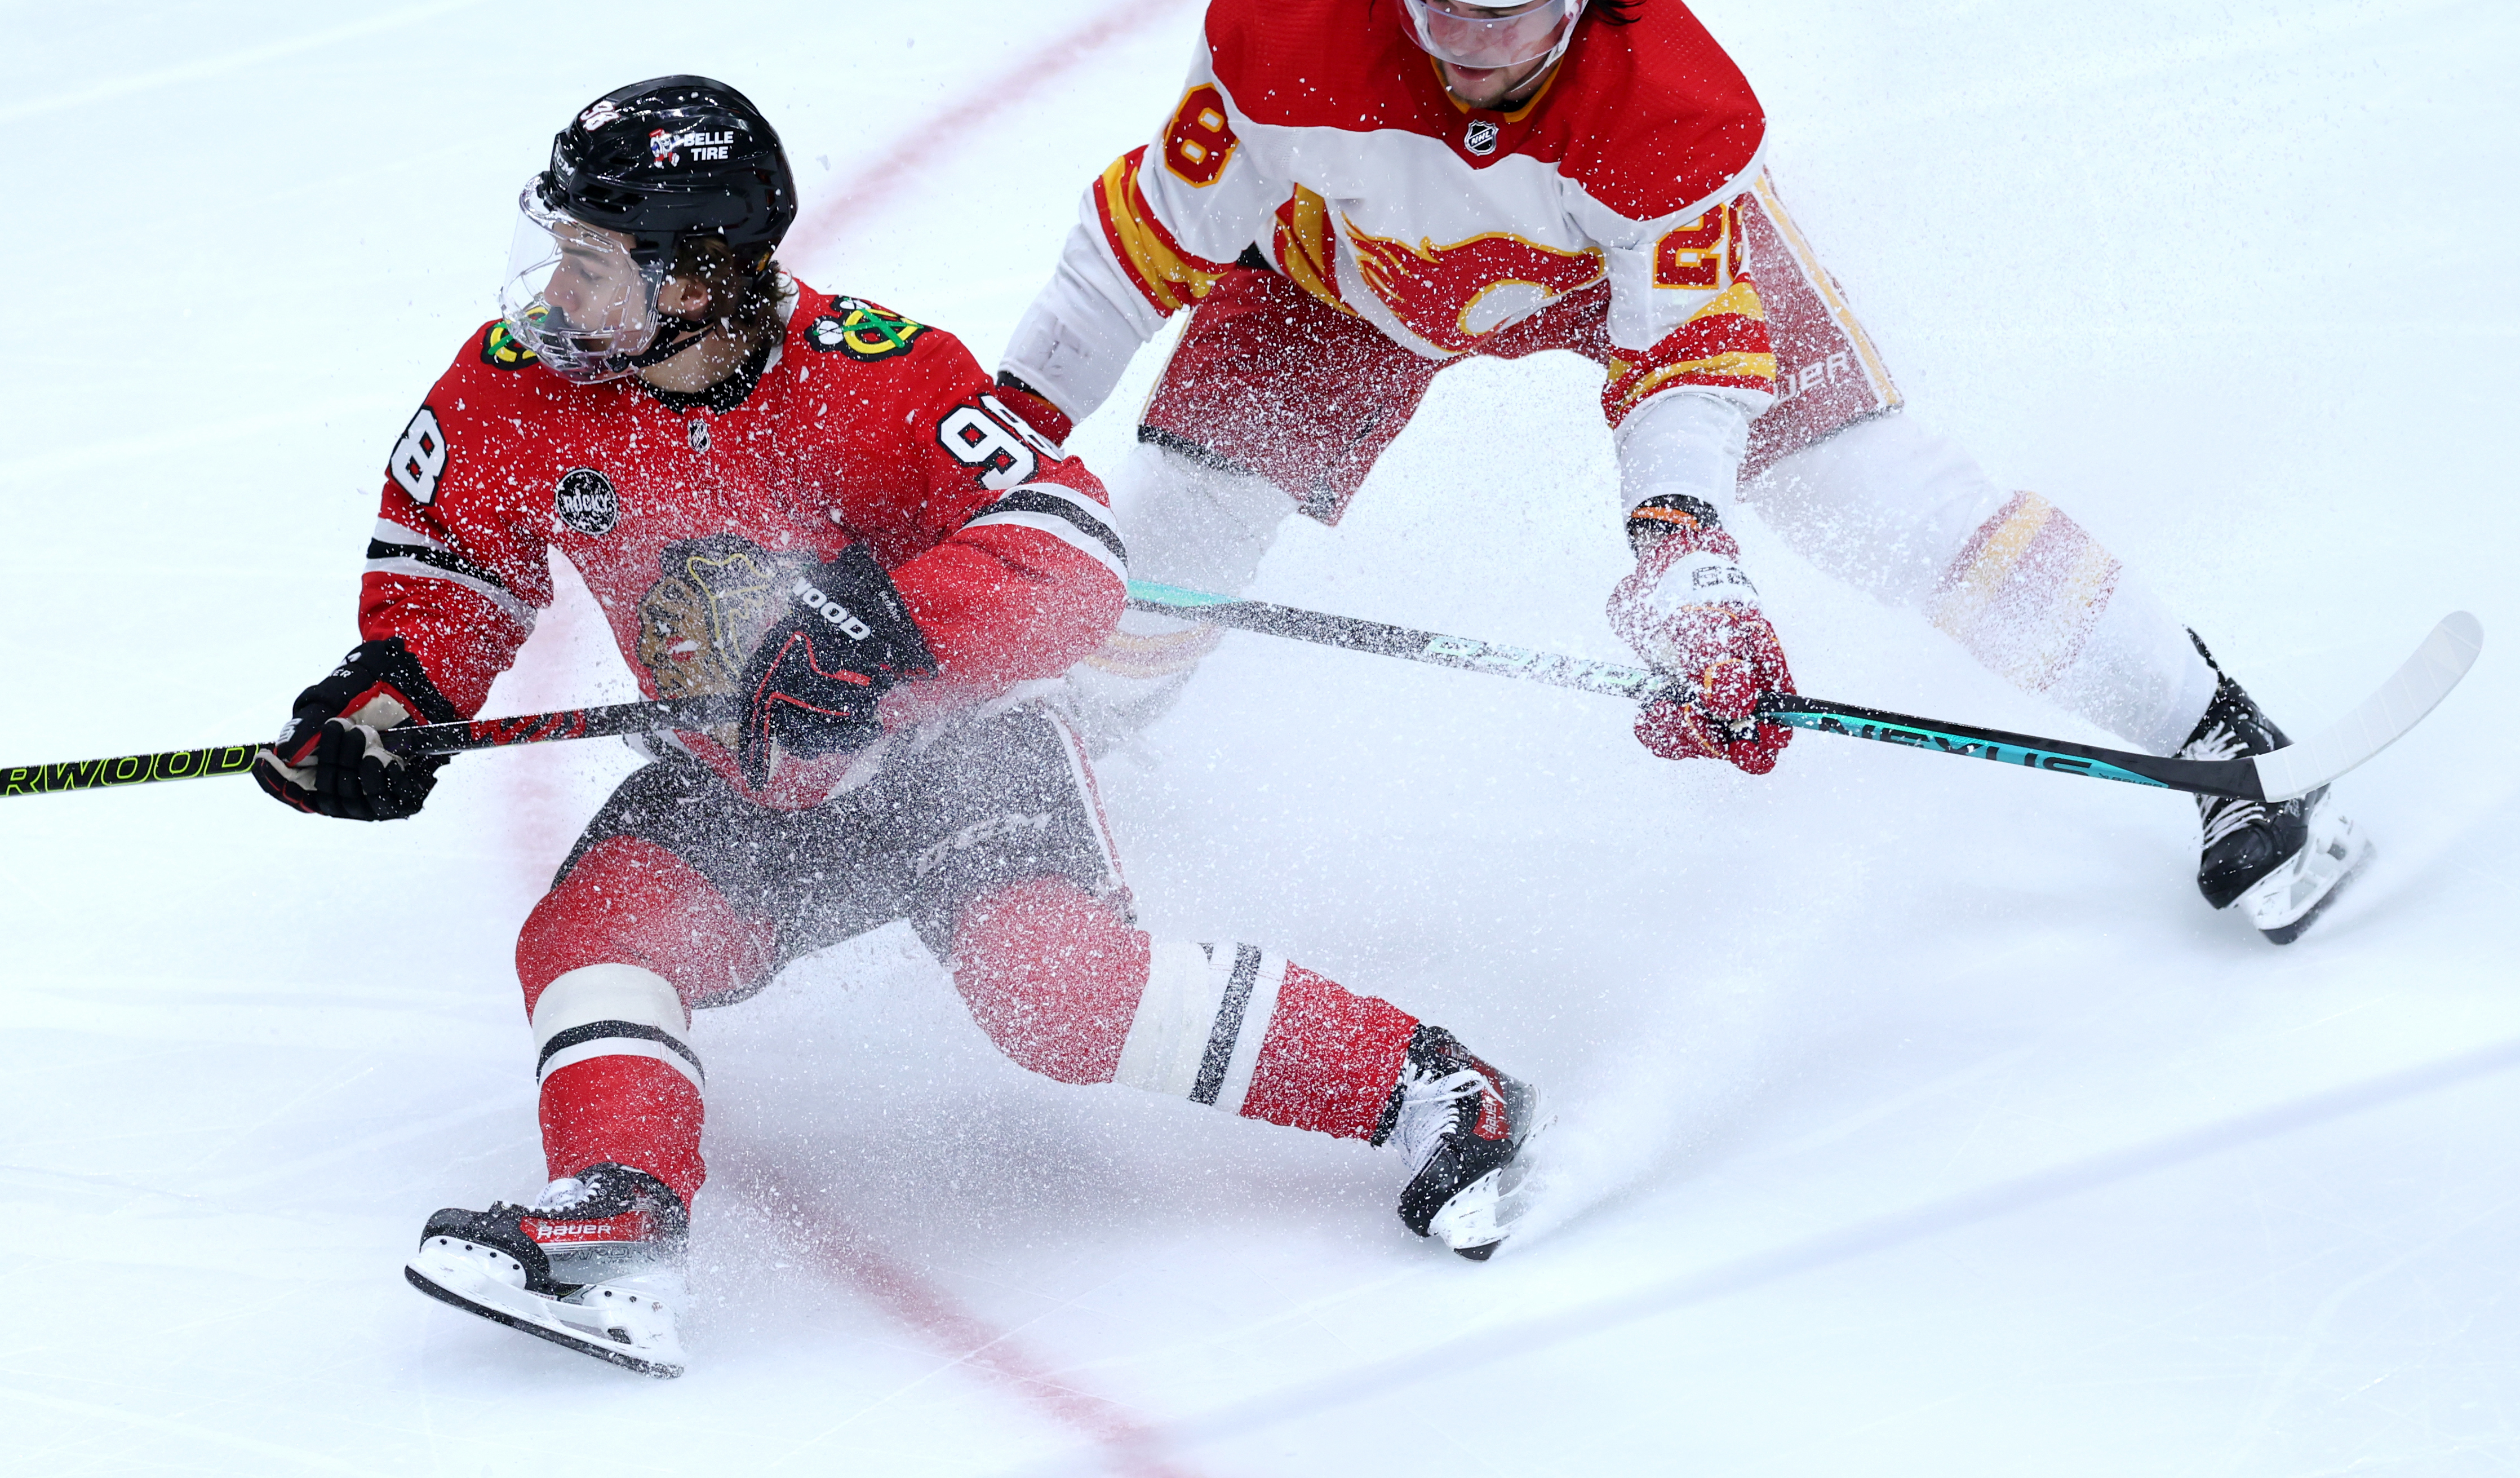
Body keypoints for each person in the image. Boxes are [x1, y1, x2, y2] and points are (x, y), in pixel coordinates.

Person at [251, 77, 1541, 1378]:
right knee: (592, 936)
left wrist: (895, 633)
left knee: (1061, 1002)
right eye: (561, 251)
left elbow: (1074, 546)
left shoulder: (876, 374)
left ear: (695, 283)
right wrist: (391, 701)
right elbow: (454, 571)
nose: (555, 298)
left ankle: (1431, 1085)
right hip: (743, 775)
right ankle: (622, 1227)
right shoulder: (515, 389)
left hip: (959, 752)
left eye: (593, 264)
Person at [987, 0, 2365, 944]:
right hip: (1342, 271)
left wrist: (1681, 555)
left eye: (1512, 12)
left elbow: (1689, 353)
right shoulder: (1287, 41)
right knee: (1184, 514)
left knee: (1883, 498)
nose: (1469, 49)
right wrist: (999, 433)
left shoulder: (1670, 106)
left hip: (1614, 270)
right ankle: (1063, 746)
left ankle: (2213, 730)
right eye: (1441, 4)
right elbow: (1134, 249)